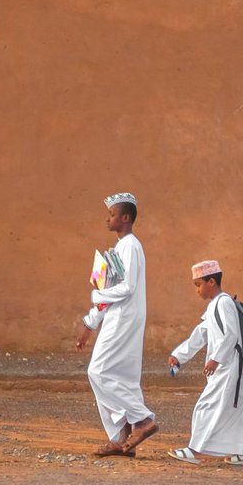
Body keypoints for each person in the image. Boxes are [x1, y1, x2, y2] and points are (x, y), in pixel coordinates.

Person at [75, 193, 159, 457]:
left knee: (97, 371)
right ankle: (120, 439)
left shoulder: (131, 246)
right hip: (116, 317)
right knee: (122, 377)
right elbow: (110, 287)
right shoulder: (118, 249)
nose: (107, 219)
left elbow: (127, 287)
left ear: (125, 218)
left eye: (112, 214)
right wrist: (90, 324)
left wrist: (97, 295)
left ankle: (142, 420)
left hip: (124, 319)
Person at [166, 261, 243, 466]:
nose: (197, 290)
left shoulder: (224, 303)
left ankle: (195, 450)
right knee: (240, 408)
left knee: (206, 405)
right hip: (228, 365)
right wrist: (180, 355)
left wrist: (216, 359)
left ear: (211, 281)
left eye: (199, 284)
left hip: (228, 366)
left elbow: (231, 334)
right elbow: (202, 333)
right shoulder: (215, 305)